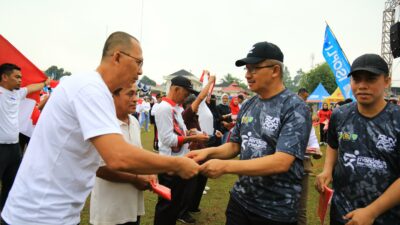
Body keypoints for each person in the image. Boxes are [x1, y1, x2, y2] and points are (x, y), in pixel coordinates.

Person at [1, 31, 199, 225]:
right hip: (39, 214)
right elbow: (118, 156)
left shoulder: (95, 90)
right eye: (138, 62)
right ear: (117, 57)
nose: (140, 71)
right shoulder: (91, 89)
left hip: (54, 212)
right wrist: (176, 164)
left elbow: (103, 158)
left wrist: (144, 170)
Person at [187, 41, 311, 225]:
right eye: (246, 69)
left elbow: (282, 162)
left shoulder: (294, 107)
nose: (247, 75)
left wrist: (225, 167)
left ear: (275, 70)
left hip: (275, 210)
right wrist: (208, 152)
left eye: (254, 68)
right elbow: (235, 145)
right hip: (240, 201)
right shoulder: (248, 105)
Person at [315, 53, 400, 225]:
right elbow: (333, 145)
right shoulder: (340, 114)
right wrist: (327, 169)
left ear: (386, 81)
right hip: (342, 212)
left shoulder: (396, 119)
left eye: (370, 79)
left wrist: (371, 212)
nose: (362, 86)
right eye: (356, 79)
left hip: (385, 216)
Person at [90, 83, 157, 225]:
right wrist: (135, 179)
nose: (135, 99)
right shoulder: (103, 124)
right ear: (112, 96)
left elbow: (137, 154)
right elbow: (100, 169)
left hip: (132, 206)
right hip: (110, 210)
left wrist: (149, 171)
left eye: (136, 93)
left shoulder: (133, 121)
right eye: (130, 94)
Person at [154, 75, 209, 225]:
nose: (187, 96)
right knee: (166, 206)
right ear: (176, 89)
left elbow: (179, 133)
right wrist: (192, 139)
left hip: (178, 162)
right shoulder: (164, 108)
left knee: (174, 204)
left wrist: (191, 134)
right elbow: (167, 140)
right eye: (186, 93)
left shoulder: (176, 108)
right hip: (169, 165)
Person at [0, 63, 50, 213]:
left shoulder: (17, 93)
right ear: (4, 77)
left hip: (14, 148)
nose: (21, 80)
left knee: (12, 184)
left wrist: (44, 83)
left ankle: (4, 213)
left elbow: (31, 88)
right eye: (17, 77)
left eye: (21, 77)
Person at [296, 88, 322, 225]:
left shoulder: (309, 126)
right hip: (281, 168)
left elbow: (315, 146)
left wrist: (317, 152)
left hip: (303, 168)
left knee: (301, 209)